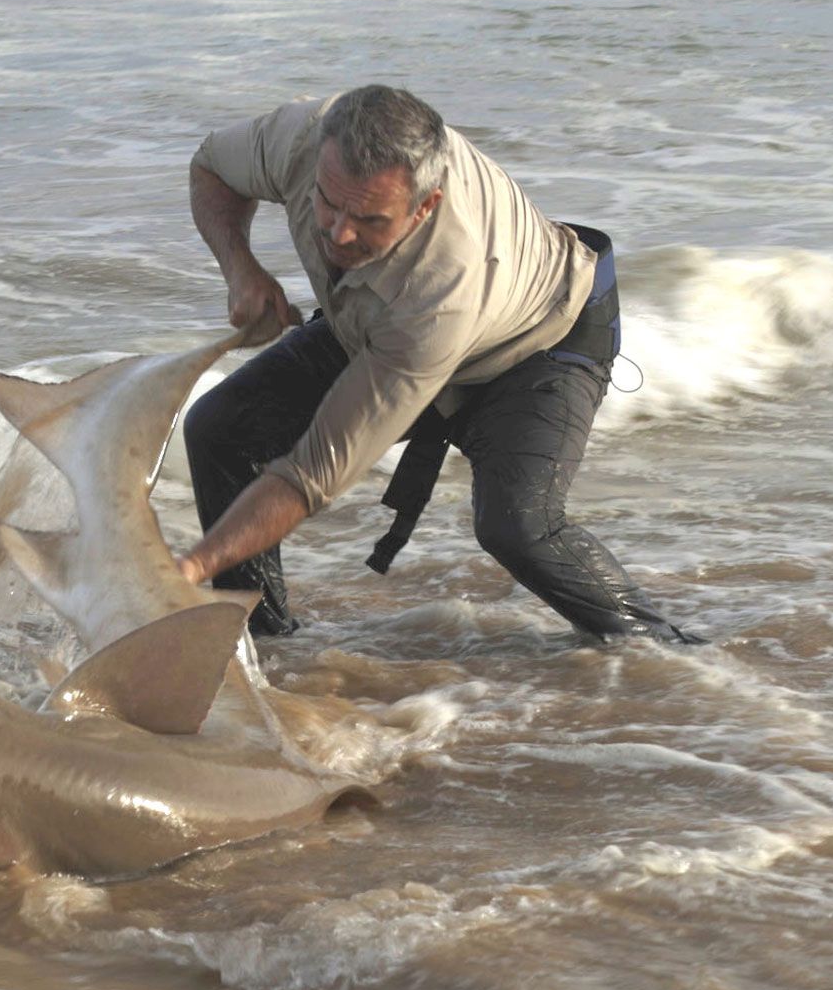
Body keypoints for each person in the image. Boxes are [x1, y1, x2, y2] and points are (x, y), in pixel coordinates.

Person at [175, 85, 702, 646]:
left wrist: (186, 570)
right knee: (219, 429)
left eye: (370, 219)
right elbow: (211, 169)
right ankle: (262, 643)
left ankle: (665, 655)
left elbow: (310, 476)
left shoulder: (441, 292)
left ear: (425, 206)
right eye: (327, 203)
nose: (338, 233)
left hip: (537, 341)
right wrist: (241, 269)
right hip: (379, 317)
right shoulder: (304, 137)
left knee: (518, 528)